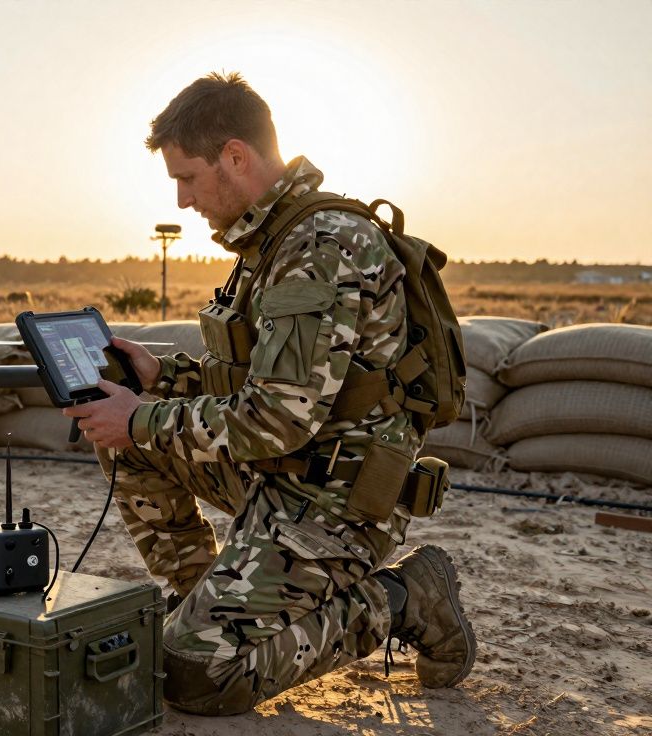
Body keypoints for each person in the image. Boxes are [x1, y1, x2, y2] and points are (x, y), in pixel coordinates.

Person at [63, 72, 475, 715]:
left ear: (235, 157)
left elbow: (277, 419)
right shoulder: (273, 241)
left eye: (188, 178)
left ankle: (405, 597)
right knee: (127, 437)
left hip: (339, 501)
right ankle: (203, 598)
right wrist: (160, 379)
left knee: (198, 678)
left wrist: (143, 418)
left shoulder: (319, 247)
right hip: (284, 473)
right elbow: (264, 385)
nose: (182, 199)